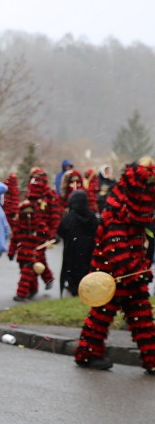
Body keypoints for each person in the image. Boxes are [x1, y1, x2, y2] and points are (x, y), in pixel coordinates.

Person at [74, 159, 155, 373]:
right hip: (110, 276)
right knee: (101, 316)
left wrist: (141, 268)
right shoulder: (118, 212)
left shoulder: (134, 213)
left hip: (132, 274)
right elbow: (116, 246)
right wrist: (136, 271)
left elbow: (136, 244)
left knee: (143, 318)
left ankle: (152, 359)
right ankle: (87, 354)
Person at [57, 189, 99, 297]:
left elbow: (60, 231)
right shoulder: (92, 216)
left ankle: (75, 288)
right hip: (89, 251)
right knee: (86, 269)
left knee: (74, 271)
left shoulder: (69, 217)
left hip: (72, 252)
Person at [24, 167, 59, 289]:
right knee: (33, 257)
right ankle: (36, 284)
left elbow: (54, 214)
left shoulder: (49, 195)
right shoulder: (30, 194)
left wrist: (53, 232)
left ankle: (44, 279)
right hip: (30, 231)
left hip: (43, 232)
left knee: (36, 257)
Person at [7, 200, 45, 301]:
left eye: (30, 212)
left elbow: (45, 236)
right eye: (25, 212)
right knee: (29, 274)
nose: (28, 215)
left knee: (26, 274)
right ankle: (33, 289)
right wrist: (11, 252)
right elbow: (14, 240)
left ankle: (21, 293)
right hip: (22, 255)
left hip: (33, 255)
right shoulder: (19, 225)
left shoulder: (38, 224)